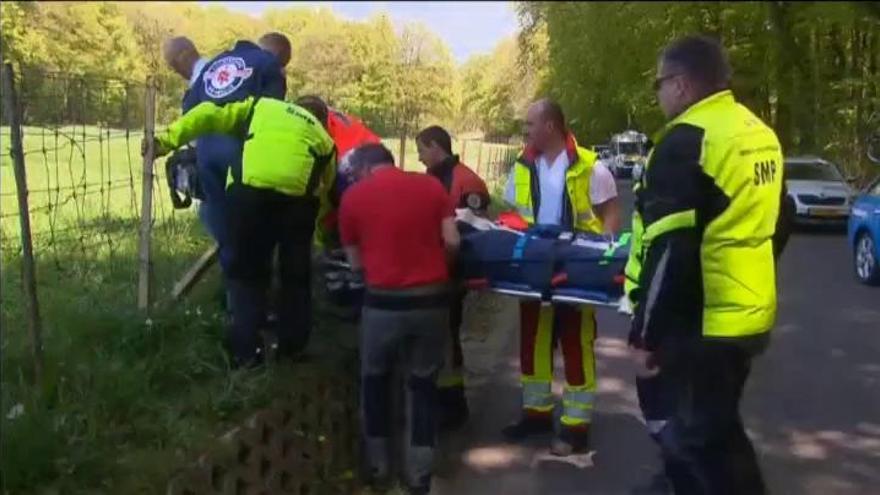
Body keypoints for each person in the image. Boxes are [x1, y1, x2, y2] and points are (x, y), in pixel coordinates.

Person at [627, 35, 785, 495]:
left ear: (680, 84)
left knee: (695, 440)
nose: (657, 95)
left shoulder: (685, 141)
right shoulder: (758, 132)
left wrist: (645, 334)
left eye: (659, 84)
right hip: (750, 313)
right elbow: (780, 218)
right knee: (716, 427)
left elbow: (671, 247)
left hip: (704, 322)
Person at [145, 95, 336, 368]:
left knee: (246, 275)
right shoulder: (325, 140)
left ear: (293, 104)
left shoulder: (261, 106)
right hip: (296, 205)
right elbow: (326, 192)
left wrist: (165, 141)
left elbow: (207, 113)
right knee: (296, 277)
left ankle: (246, 355)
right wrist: (319, 238)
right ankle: (291, 350)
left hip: (248, 197)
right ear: (323, 120)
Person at [338, 143, 460, 495]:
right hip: (431, 303)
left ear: (362, 169)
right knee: (423, 386)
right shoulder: (431, 187)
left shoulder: (354, 197)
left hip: (382, 306)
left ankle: (380, 468)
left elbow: (355, 265)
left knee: (375, 382)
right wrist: (440, 271)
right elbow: (452, 241)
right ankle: (419, 475)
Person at [502, 98, 622, 456]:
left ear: (550, 127)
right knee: (533, 341)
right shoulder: (523, 166)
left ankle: (575, 426)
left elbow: (610, 214)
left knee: (575, 342)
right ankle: (536, 413)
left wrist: (602, 258)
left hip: (576, 269)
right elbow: (514, 214)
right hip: (535, 266)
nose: (526, 132)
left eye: (529, 125)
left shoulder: (591, 167)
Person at [164, 33, 290, 276]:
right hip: (248, 160)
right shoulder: (264, 67)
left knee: (231, 236)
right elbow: (270, 114)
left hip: (213, 160)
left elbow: (193, 119)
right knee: (252, 236)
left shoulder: (214, 67)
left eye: (172, 65)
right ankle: (254, 294)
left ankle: (237, 297)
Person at [415, 125, 490, 430]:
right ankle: (442, 400)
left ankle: (453, 404)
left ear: (435, 146)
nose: (419, 158)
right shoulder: (431, 179)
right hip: (431, 270)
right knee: (438, 338)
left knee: (448, 337)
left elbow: (479, 230)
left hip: (452, 271)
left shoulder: (466, 180)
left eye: (421, 150)